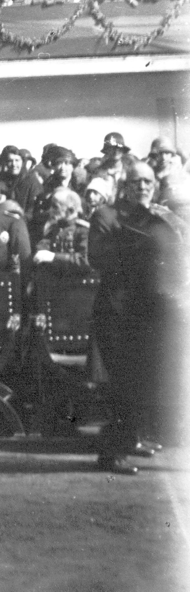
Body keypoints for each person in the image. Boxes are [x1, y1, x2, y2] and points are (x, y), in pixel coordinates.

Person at [88, 162, 183, 475]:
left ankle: (131, 439)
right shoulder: (106, 216)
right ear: (124, 185)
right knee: (122, 383)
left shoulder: (158, 217)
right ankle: (110, 454)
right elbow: (98, 258)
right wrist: (140, 234)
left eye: (148, 181)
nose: (142, 186)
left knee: (141, 381)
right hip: (117, 311)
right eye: (135, 181)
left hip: (149, 311)